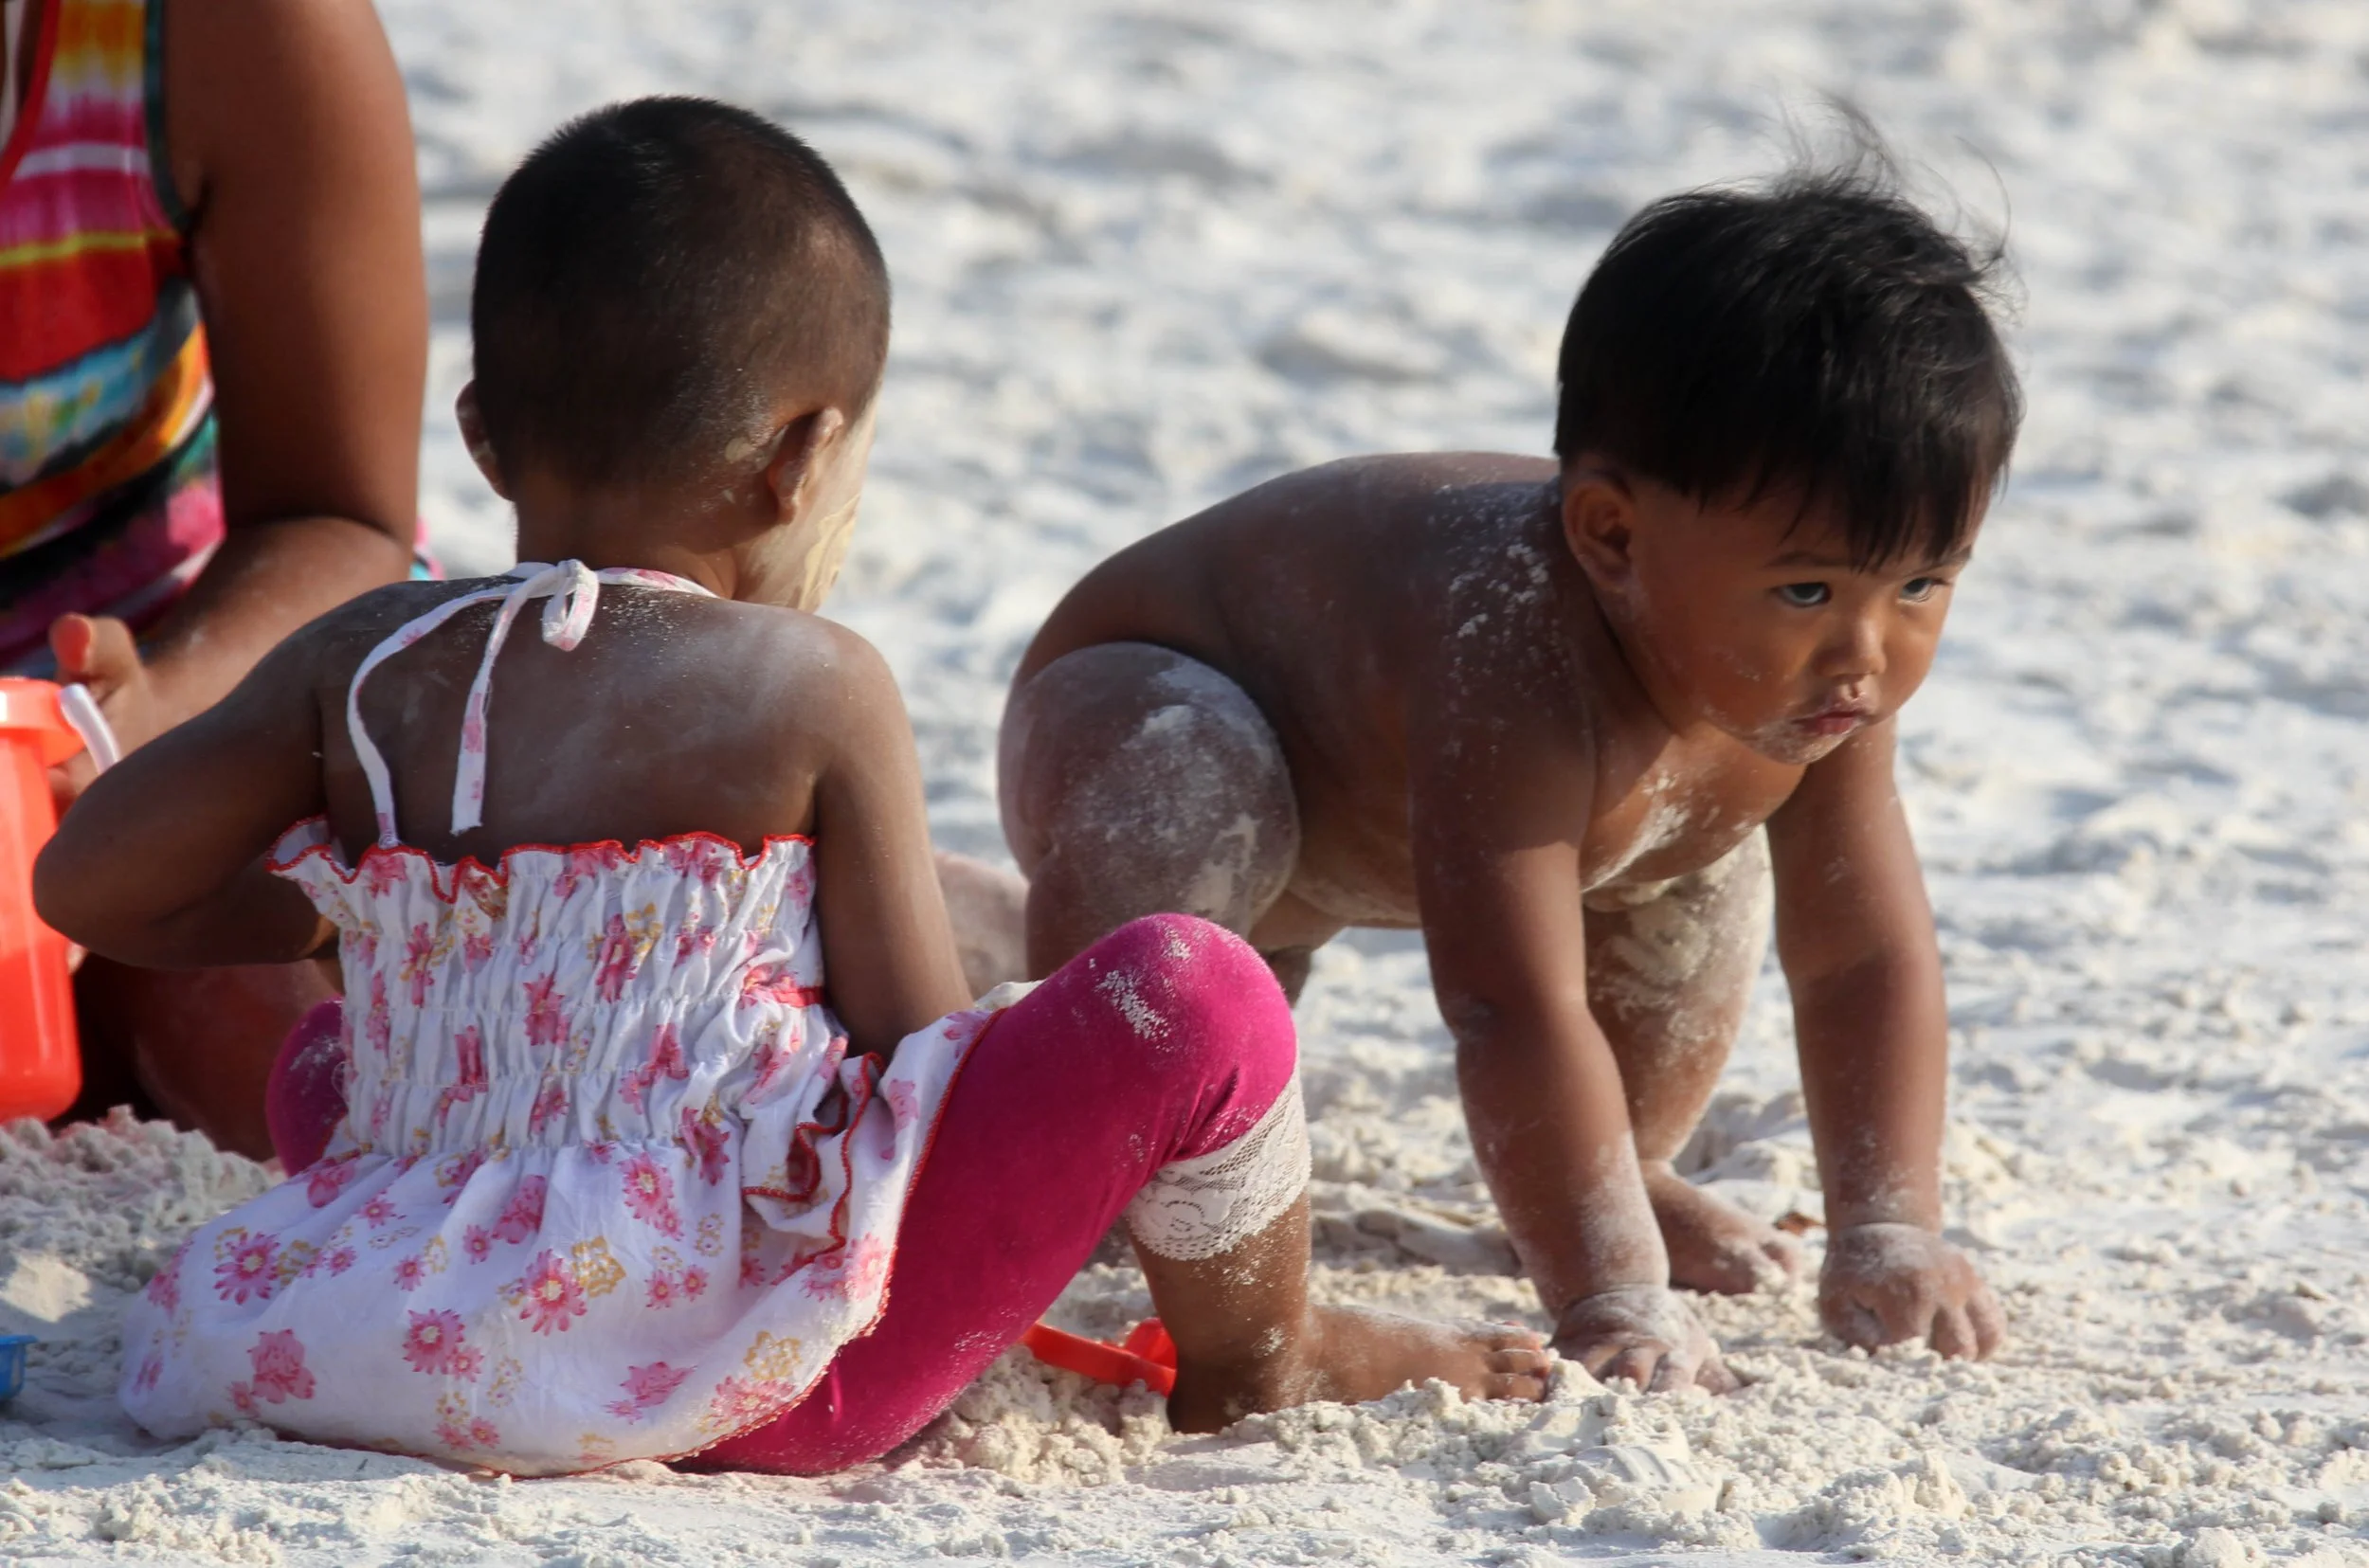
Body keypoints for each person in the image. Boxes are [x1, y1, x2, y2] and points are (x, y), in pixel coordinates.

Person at [36, 99, 1545, 1474]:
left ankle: (460, 1221)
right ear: (801, 460)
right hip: (748, 1377)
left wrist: (350, 915)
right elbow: (912, 1054)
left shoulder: (368, 659)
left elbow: (87, 882)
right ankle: (1263, 1352)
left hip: (364, 1320)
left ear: (483, 433)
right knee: (1198, 994)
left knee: (340, 1071)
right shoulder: (809, 681)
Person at [998, 152, 2017, 1392]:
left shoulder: (1811, 684)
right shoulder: (1517, 650)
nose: (1867, 651)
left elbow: (1862, 950)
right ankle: (1088, 1113)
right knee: (1191, 773)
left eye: (1922, 584)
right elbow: (1507, 1000)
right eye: (1806, 589)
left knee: (1703, 859)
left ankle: (1620, 1168)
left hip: (1472, 822)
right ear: (1612, 537)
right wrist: (1609, 1300)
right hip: (1169, 704)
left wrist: (1891, 1228)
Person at [1, 0, 427, 1156]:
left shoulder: (230, 32)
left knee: (301, 1080)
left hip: (154, 670)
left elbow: (342, 517)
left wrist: (147, 726)